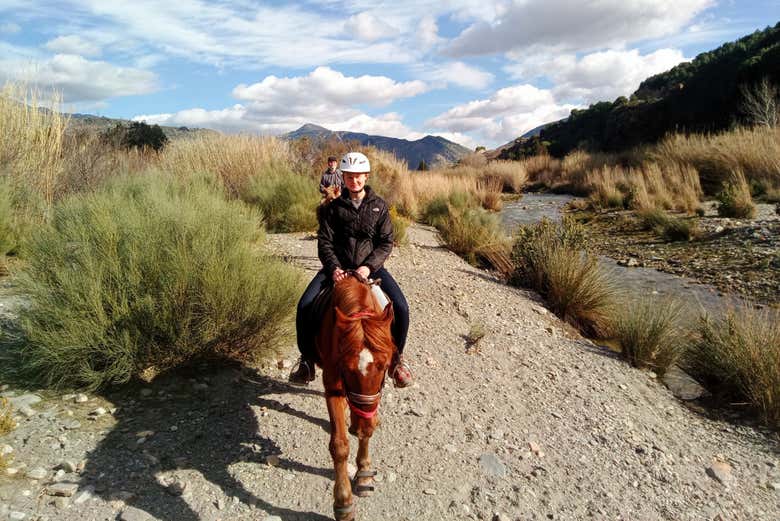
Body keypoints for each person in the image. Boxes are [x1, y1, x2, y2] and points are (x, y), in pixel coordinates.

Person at [289, 151, 412, 388]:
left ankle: (397, 361)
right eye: (349, 177)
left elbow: (386, 242)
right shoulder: (333, 208)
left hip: (371, 270)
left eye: (358, 176)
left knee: (402, 308)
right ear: (343, 178)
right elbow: (324, 241)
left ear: (366, 176)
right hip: (337, 268)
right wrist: (334, 268)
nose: (353, 181)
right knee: (304, 305)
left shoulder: (379, 206)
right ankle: (306, 361)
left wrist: (368, 267)